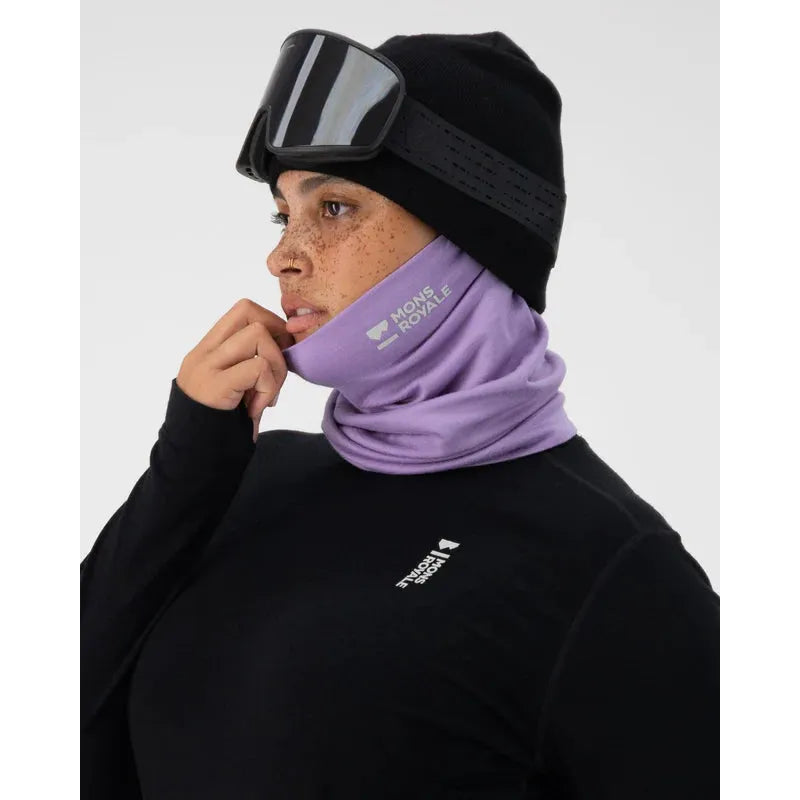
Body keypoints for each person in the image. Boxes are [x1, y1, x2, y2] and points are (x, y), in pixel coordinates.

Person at [81, 29, 720, 799]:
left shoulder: (613, 564)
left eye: (335, 207)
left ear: (469, 239)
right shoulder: (240, 479)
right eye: (283, 216)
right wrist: (186, 464)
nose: (284, 256)